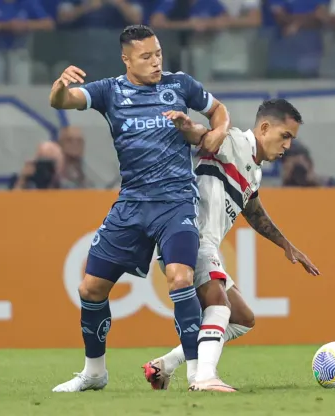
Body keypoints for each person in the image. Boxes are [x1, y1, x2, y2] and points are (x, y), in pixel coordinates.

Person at [48, 24, 231, 393]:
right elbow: (62, 103)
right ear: (126, 59)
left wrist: (216, 133)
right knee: (90, 289)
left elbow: (219, 110)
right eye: (146, 57)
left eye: (158, 53)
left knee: (179, 278)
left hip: (176, 201)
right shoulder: (110, 91)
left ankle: (198, 373)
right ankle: (94, 372)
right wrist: (59, 85)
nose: (155, 62)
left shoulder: (180, 85)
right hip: (132, 204)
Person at [142, 99, 320, 392]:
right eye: (285, 136)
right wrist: (188, 127)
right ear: (264, 127)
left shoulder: (255, 171)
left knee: (242, 318)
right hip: (189, 237)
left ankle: (165, 366)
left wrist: (286, 245)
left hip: (206, 245)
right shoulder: (232, 140)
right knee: (219, 306)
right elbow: (202, 135)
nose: (288, 146)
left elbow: (253, 210)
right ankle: (204, 378)